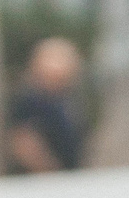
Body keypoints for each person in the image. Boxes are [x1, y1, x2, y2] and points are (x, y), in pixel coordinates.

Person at [5, 36, 88, 174]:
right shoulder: (31, 103)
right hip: (43, 184)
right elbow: (24, 145)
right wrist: (51, 172)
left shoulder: (65, 101)